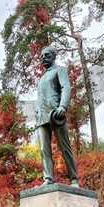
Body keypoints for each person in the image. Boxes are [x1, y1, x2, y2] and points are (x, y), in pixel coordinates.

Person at [35, 46, 79, 187]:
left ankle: (74, 178)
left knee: (65, 147)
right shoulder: (42, 78)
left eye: (46, 55)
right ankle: (48, 178)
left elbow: (66, 88)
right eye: (41, 56)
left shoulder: (59, 70)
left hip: (55, 113)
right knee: (43, 149)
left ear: (54, 56)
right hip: (41, 117)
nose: (43, 57)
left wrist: (63, 106)